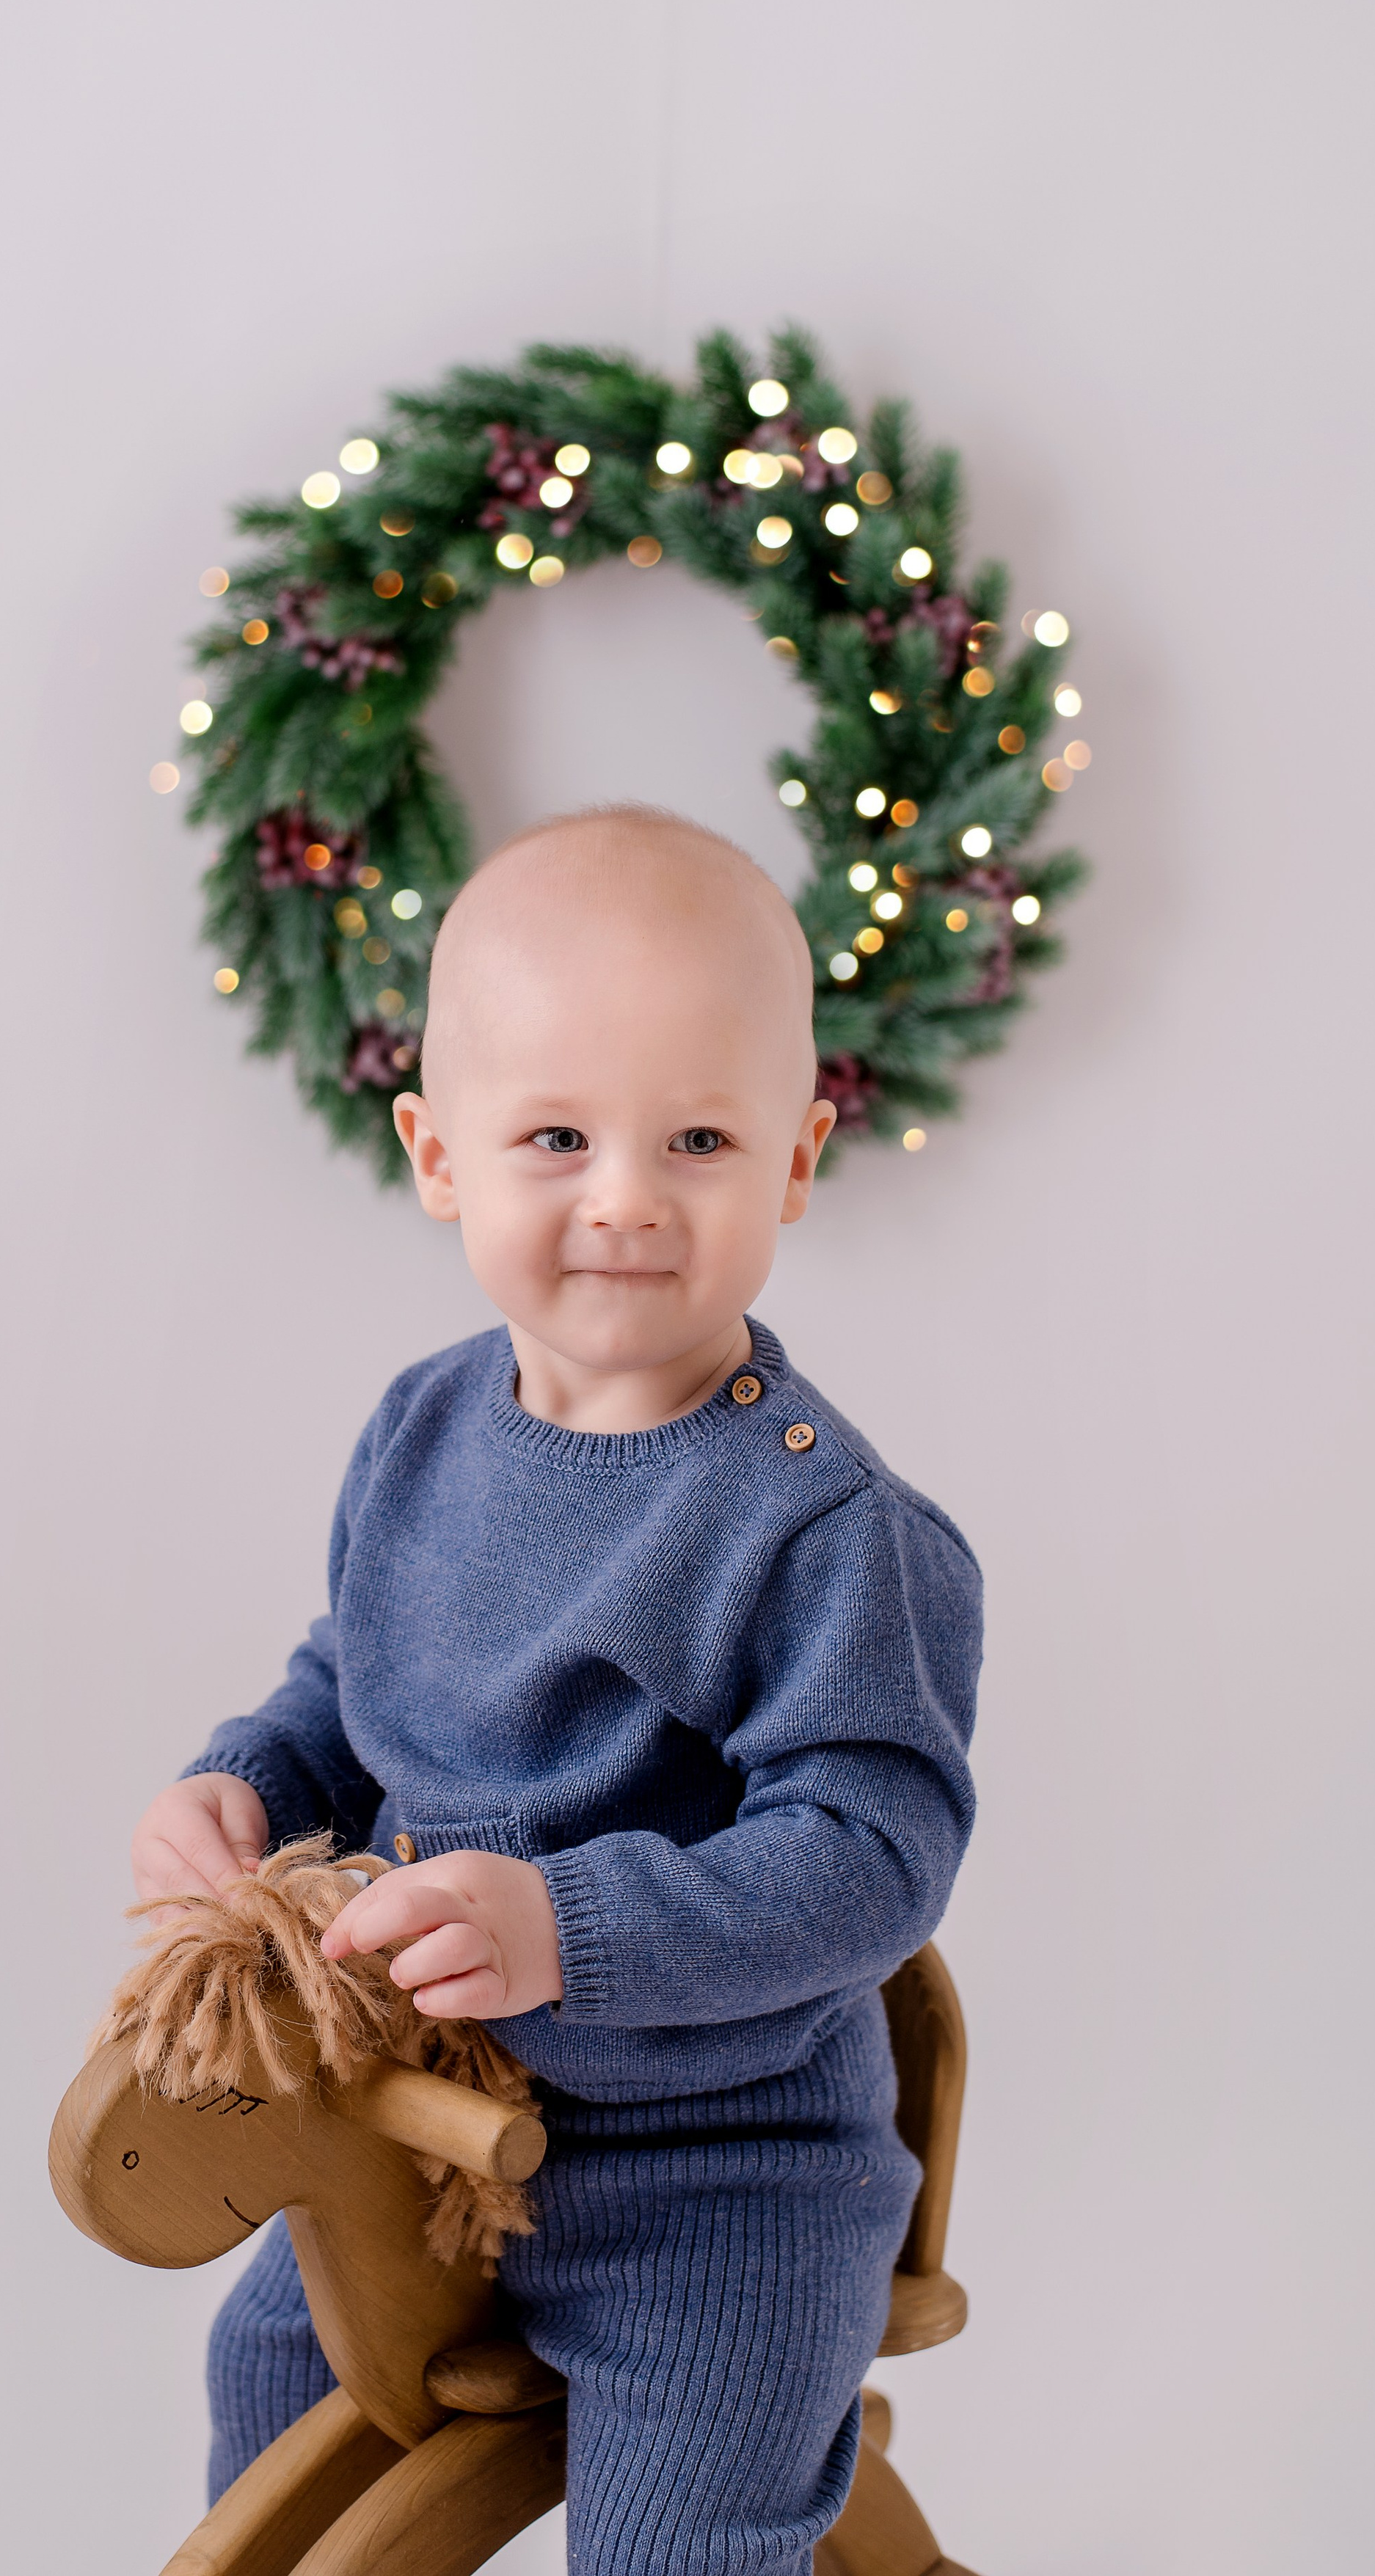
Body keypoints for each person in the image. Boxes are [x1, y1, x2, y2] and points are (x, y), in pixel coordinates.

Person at [131, 806, 983, 2575]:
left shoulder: (823, 1527)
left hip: (718, 2168)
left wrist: (564, 1930)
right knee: (266, 2387)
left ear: (796, 1155)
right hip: (416, 2123)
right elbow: (352, 1679)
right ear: (439, 1155)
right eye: (553, 1135)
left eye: (695, 1137)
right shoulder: (424, 1427)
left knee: (680, 2538)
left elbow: (868, 1850)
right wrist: (251, 1784)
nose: (623, 1197)